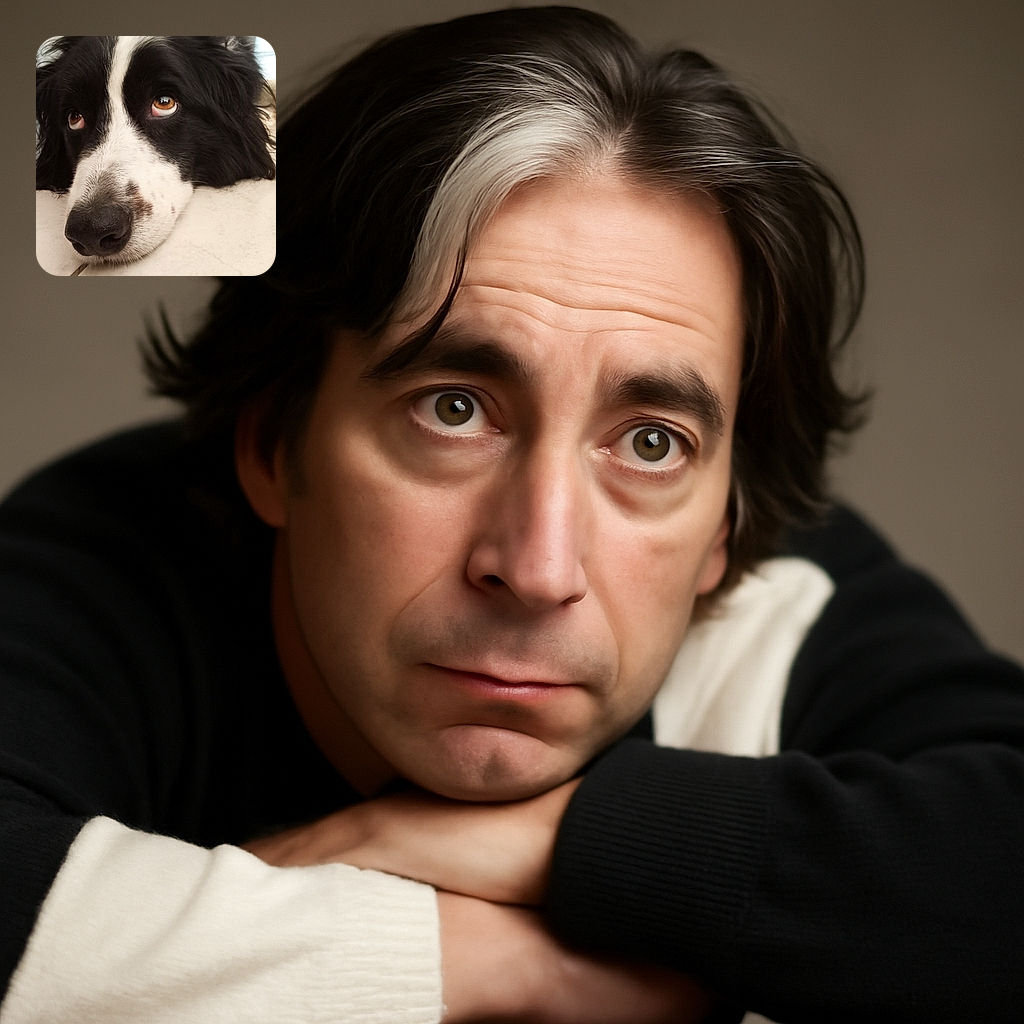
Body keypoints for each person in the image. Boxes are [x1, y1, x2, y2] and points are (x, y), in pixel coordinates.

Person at [2, 6, 1022, 1022]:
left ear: (724, 527)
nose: (537, 568)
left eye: (652, 443)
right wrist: (508, 965)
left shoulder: (789, 595)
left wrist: (549, 843)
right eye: (454, 410)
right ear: (273, 447)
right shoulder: (104, 560)